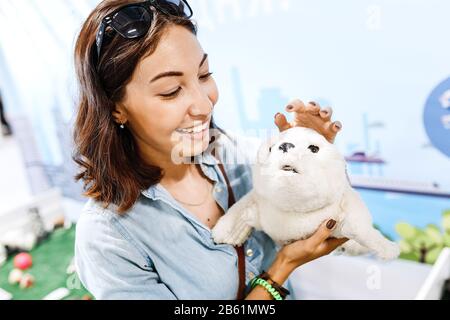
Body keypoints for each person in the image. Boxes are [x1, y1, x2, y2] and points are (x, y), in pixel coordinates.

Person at [73, 0, 347, 300]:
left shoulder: (234, 154)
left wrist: (315, 155)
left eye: (204, 75)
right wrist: (282, 268)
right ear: (115, 109)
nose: (204, 105)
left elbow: (329, 217)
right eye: (171, 91)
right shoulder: (109, 236)